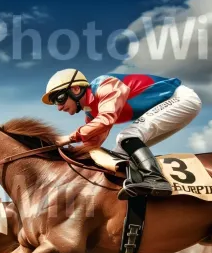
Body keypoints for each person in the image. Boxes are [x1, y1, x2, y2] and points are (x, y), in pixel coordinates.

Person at [41, 68, 202, 200]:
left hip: (181, 98)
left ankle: (157, 180)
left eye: (59, 99)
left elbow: (106, 119)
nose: (59, 107)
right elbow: (92, 148)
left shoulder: (105, 85)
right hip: (173, 107)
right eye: (55, 103)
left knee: (127, 136)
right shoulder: (91, 113)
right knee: (119, 154)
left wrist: (68, 138)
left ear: (76, 89)